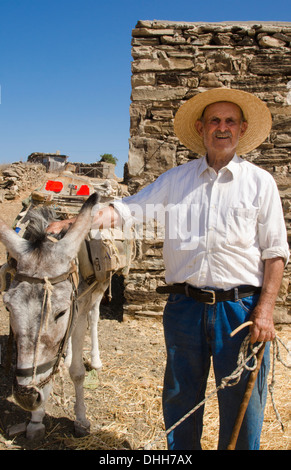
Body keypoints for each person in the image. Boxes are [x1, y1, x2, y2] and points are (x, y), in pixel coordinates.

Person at [48, 88, 289, 450]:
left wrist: (265, 311)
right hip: (185, 309)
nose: (222, 128)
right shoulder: (176, 180)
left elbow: (275, 253)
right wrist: (75, 222)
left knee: (243, 406)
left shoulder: (260, 183)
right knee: (180, 399)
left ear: (240, 130)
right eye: (214, 121)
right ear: (201, 128)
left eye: (229, 121)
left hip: (240, 311)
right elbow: (126, 210)